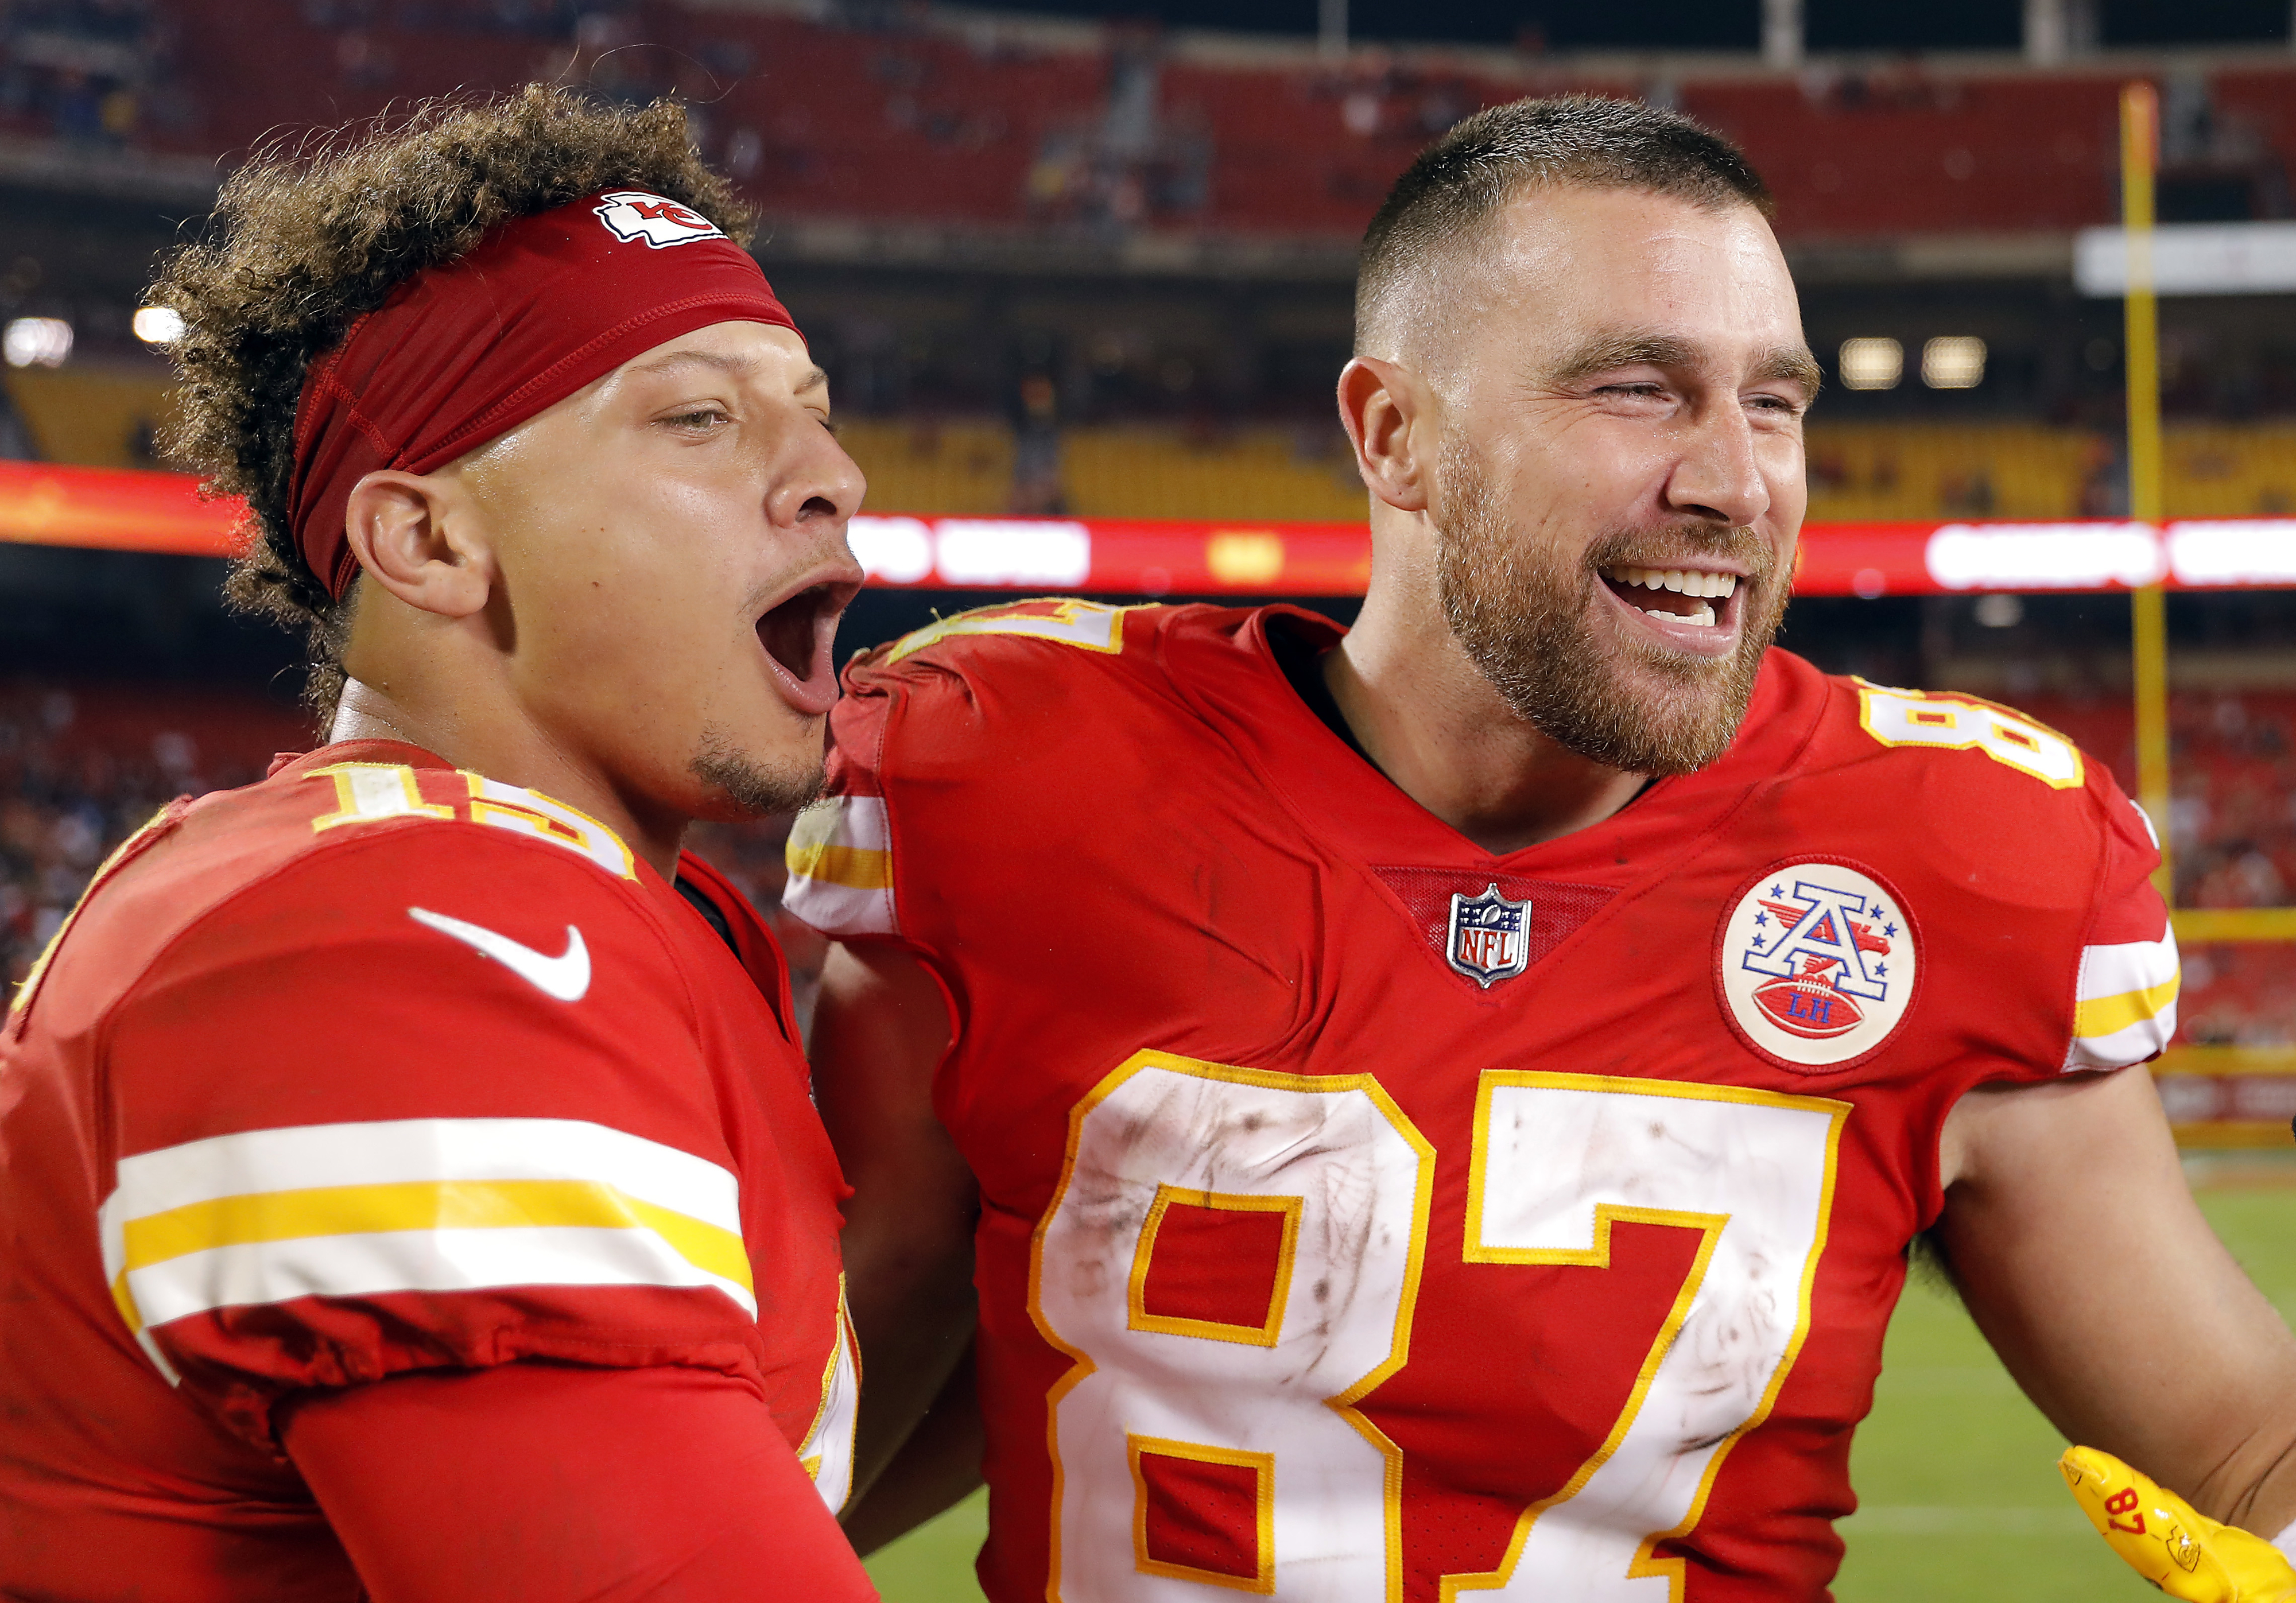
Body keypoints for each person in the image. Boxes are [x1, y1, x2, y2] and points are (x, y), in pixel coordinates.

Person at [793, 96, 2296, 1600]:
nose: (1735, 481)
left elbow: (2245, 1439)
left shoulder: (1957, 857)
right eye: (1639, 389)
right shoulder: (1023, 775)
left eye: (1773, 403)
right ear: (1396, 436)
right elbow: (840, 1404)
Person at [0, 87, 878, 1602]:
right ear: (429, 543)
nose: (831, 476)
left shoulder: (638, 918)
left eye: (812, 407)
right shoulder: (389, 940)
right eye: (700, 418)